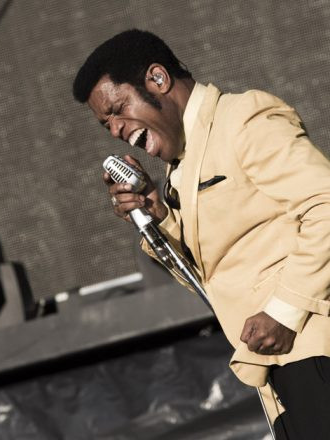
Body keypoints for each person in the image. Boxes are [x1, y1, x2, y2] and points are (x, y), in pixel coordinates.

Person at [72, 29, 330, 439]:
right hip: (274, 376)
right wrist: (158, 218)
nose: (117, 129)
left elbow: (324, 207)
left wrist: (283, 311)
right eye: (107, 126)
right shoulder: (179, 170)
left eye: (118, 110)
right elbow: (210, 279)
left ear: (157, 80)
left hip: (313, 345)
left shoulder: (242, 118)